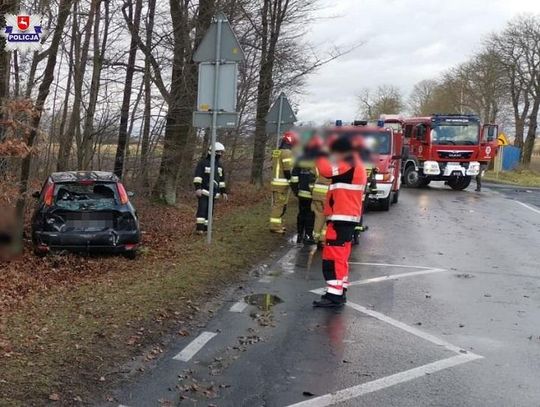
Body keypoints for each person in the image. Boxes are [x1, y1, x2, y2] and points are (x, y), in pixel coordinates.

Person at [313, 135, 367, 308]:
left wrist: (319, 151)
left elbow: (325, 170)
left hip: (342, 217)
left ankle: (334, 296)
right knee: (340, 255)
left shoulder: (349, 161)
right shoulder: (355, 162)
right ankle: (338, 290)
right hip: (345, 216)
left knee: (333, 256)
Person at [290, 137, 320, 244]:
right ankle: (308, 235)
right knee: (310, 215)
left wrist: (296, 191)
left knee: (301, 213)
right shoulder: (318, 160)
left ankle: (299, 235)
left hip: (301, 193)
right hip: (314, 193)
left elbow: (294, 177)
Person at [193, 142, 227, 234]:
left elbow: (222, 181)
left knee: (210, 211)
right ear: (212, 152)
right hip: (203, 191)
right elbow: (198, 176)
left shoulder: (219, 166)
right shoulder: (203, 163)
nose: (220, 154)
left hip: (214, 193)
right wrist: (198, 188)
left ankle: (206, 228)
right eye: (218, 152)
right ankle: (199, 229)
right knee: (202, 210)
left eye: (221, 152)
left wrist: (223, 192)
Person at [269, 131, 298, 233]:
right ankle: (275, 226)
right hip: (282, 184)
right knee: (279, 205)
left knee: (280, 204)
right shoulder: (287, 153)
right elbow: (287, 170)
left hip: (276, 183)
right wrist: (292, 182)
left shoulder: (277, 151)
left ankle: (278, 224)